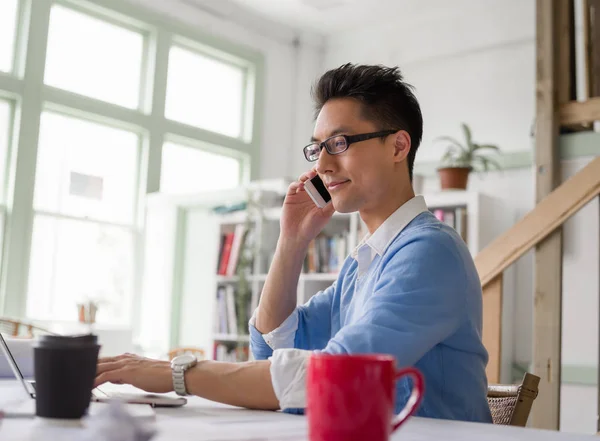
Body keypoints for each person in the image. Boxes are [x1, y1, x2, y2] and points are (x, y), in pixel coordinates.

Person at [95, 63, 493, 423]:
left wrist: (177, 372)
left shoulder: (428, 252)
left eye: (339, 143)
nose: (321, 164)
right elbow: (272, 350)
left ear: (398, 146)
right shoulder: (365, 263)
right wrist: (292, 240)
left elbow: (330, 376)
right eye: (318, 148)